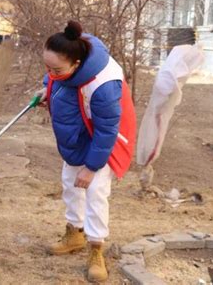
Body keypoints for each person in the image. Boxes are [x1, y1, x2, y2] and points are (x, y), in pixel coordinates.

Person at [35, 21, 136, 282]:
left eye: (55, 69)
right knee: (70, 184)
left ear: (77, 65)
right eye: (47, 67)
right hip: (77, 137)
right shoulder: (66, 62)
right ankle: (74, 233)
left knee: (96, 193)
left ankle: (96, 248)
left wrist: (92, 168)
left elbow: (106, 132)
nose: (50, 73)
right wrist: (47, 88)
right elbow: (55, 77)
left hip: (101, 143)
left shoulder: (104, 85)